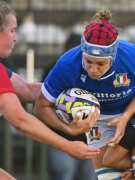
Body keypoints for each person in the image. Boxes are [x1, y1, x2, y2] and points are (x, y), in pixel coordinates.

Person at [0, 1, 100, 179]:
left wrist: (87, 91)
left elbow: (27, 90)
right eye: (12, 30)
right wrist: (68, 145)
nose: (15, 37)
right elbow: (20, 121)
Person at [34, 8, 135, 180]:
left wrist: (126, 116)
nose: (93, 70)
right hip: (98, 125)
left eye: (100, 63)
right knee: (110, 169)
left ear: (113, 55)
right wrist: (69, 130)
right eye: (88, 61)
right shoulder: (67, 64)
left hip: (133, 116)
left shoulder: (133, 56)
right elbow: (41, 107)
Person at [42, 33, 97, 180]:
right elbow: (42, 103)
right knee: (64, 174)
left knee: (88, 177)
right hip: (61, 137)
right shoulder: (54, 70)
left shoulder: (95, 72)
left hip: (89, 138)